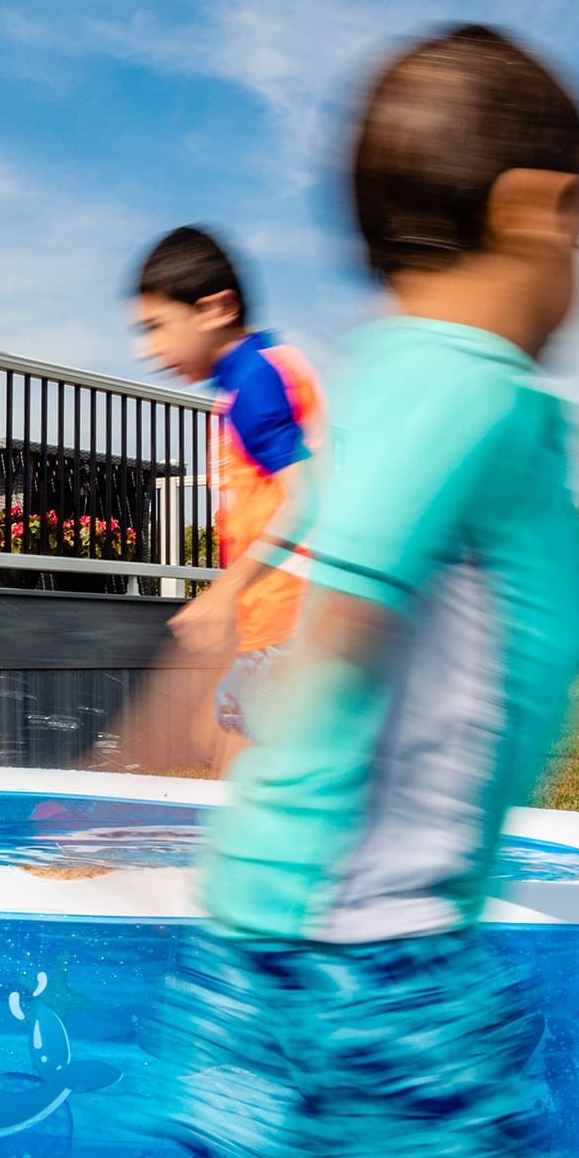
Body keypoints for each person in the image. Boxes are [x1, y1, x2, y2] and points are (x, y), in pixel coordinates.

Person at [162, 25, 579, 1158]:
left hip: (290, 916)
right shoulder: (462, 384)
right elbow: (349, 591)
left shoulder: (387, 389)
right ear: (536, 211)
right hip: (369, 942)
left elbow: (309, 541)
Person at [130, 225, 321, 772]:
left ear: (215, 308)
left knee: (236, 801)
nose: (149, 349)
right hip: (272, 626)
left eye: (157, 326)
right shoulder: (251, 376)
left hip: (291, 628)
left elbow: (308, 501)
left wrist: (223, 594)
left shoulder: (258, 384)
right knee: (210, 745)